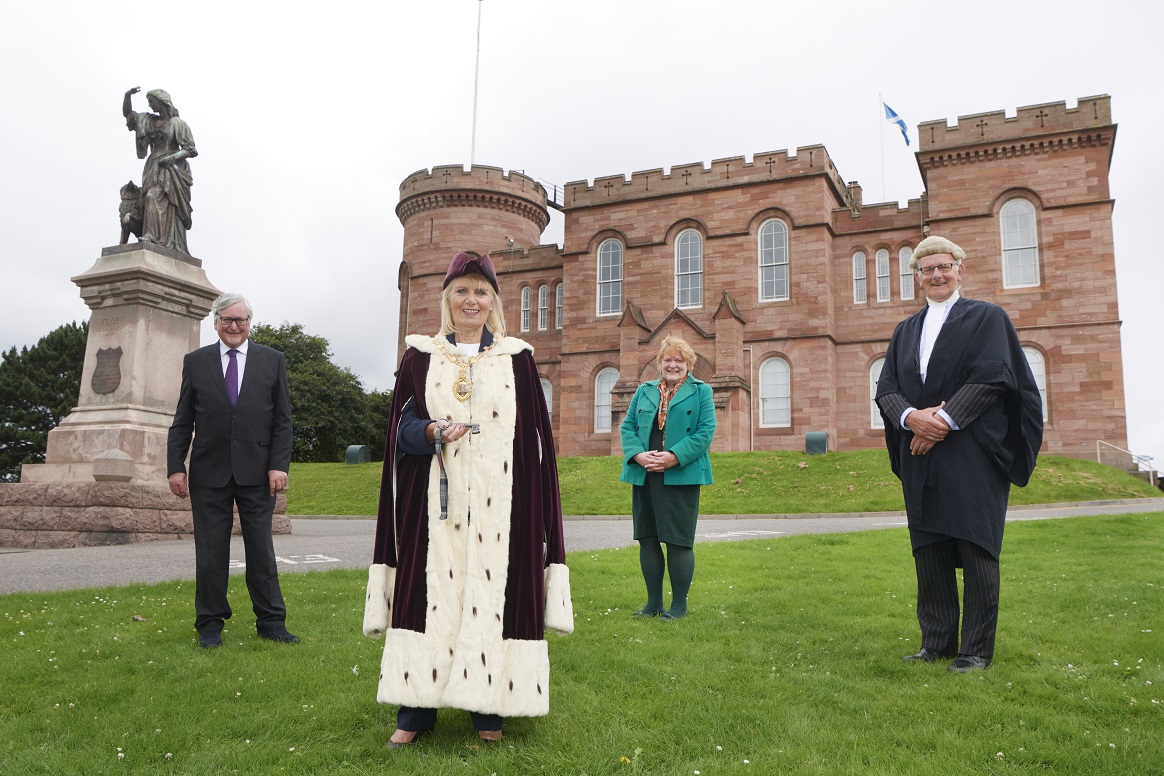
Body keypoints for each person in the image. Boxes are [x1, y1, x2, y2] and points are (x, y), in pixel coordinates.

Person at [363, 252, 574, 749]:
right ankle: (415, 709)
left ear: (494, 302)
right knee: (425, 597)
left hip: (504, 504)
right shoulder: (419, 358)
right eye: (462, 291)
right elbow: (401, 429)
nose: (471, 300)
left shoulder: (518, 359)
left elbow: (535, 440)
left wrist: (534, 505)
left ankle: (488, 707)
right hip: (434, 507)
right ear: (447, 299)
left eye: (481, 291)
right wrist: (432, 429)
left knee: (495, 593)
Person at [875, 235, 1043, 673]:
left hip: (973, 452)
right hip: (918, 451)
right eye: (927, 269)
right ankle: (936, 643)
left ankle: (975, 651)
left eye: (944, 266)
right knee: (929, 550)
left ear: (960, 270)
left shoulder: (987, 318)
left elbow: (992, 378)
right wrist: (912, 418)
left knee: (976, 547)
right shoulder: (905, 330)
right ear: (917, 277)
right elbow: (886, 388)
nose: (937, 275)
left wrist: (943, 424)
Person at [167, 293, 298, 649]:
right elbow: (182, 420)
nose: (234, 326)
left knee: (261, 549)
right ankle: (209, 625)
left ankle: (271, 622)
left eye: (240, 320)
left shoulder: (272, 361)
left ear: (249, 323)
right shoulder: (196, 362)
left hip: (258, 473)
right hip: (209, 473)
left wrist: (277, 465)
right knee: (210, 553)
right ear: (216, 322)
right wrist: (175, 467)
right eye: (227, 320)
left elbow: (283, 421)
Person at [620, 336, 716, 620]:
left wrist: (673, 456)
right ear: (660, 363)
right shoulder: (643, 391)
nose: (673, 365)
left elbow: (704, 433)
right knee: (647, 539)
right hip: (645, 474)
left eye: (679, 360)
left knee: (678, 541)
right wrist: (638, 455)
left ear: (688, 364)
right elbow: (627, 427)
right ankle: (653, 604)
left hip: (681, 475)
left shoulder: (702, 392)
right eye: (667, 359)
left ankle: (679, 607)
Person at [122, 87, 197, 254]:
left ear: (162, 101)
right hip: (153, 166)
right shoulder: (148, 121)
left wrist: (172, 158)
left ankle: (152, 237)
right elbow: (128, 114)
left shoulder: (178, 124)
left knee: (153, 197)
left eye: (151, 101)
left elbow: (190, 150)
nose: (149, 105)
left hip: (171, 168)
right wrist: (127, 96)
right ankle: (154, 237)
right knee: (148, 199)